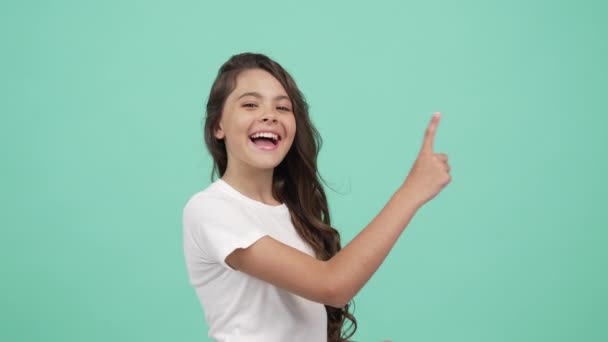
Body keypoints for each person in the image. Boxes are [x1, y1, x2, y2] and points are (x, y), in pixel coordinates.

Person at [182, 52, 451, 342]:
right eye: (250, 104)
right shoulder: (210, 210)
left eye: (283, 108)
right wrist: (412, 191)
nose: (269, 115)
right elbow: (333, 286)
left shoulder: (294, 213)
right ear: (217, 126)